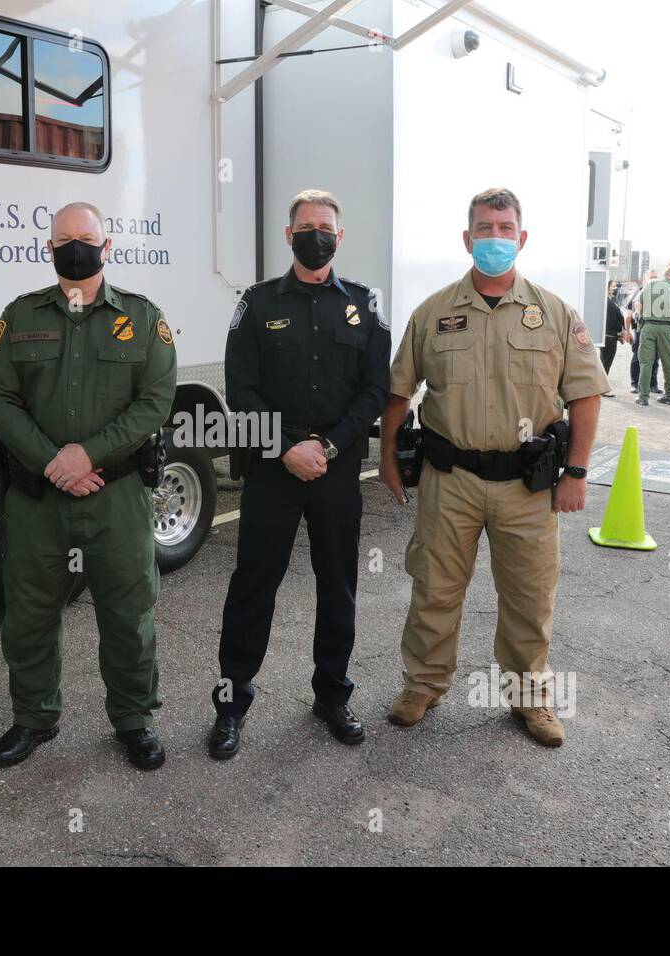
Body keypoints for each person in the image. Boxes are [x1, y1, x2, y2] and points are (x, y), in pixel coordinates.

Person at [378, 187, 608, 747]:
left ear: (522, 238)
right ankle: (423, 685)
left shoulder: (555, 314)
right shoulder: (432, 314)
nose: (496, 238)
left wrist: (575, 475)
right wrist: (387, 458)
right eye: (485, 228)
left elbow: (585, 396)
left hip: (527, 487)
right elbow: (398, 394)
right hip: (448, 481)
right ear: (467, 238)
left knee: (530, 597)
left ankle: (531, 700)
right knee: (434, 589)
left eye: (506, 229)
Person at [0, 201, 176, 771]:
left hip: (116, 497)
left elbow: (156, 401)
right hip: (39, 497)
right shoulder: (19, 317)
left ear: (106, 246)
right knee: (29, 612)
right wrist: (52, 461)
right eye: (64, 239)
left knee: (129, 612)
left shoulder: (142, 318)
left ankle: (134, 720)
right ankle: (33, 719)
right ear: (48, 250)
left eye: (85, 238)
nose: (75, 247)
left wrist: (86, 453)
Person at [209, 189, 391, 759]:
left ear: (340, 236)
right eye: (307, 226)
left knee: (338, 585)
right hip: (272, 469)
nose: (317, 234)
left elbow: (375, 389)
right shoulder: (257, 303)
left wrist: (331, 446)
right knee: (252, 586)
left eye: (326, 226)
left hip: (335, 472)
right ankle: (231, 705)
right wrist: (289, 447)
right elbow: (240, 389)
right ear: (288, 235)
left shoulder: (365, 303)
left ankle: (332, 695)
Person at [633, 266, 670, 406]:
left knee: (646, 362)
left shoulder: (650, 284)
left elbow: (637, 303)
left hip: (647, 327)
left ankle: (643, 397)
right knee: (668, 363)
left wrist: (639, 313)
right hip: (666, 328)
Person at [628, 272, 660, 396]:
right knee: (637, 356)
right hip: (640, 328)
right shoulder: (638, 292)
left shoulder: (661, 293)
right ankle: (635, 384)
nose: (653, 279)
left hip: (656, 329)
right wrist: (626, 330)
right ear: (644, 279)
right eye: (651, 277)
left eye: (655, 277)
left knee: (655, 357)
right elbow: (630, 312)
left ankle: (653, 384)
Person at [600, 280, 626, 397]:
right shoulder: (607, 303)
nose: (615, 288)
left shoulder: (608, 301)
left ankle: (601, 387)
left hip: (610, 336)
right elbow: (612, 321)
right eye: (613, 286)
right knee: (606, 363)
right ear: (608, 287)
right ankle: (602, 389)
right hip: (609, 336)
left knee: (604, 363)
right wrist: (621, 331)